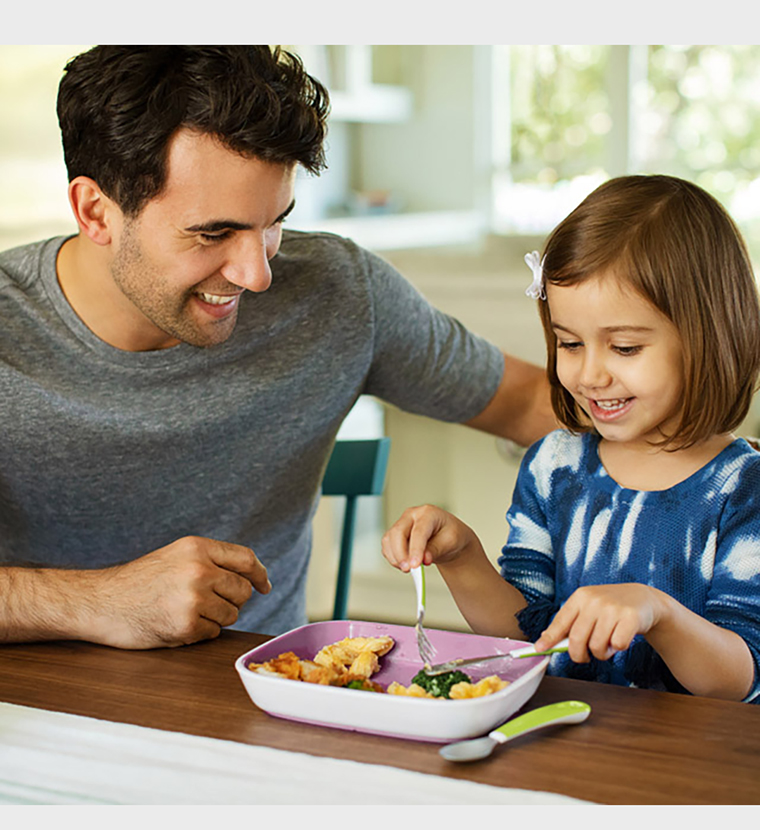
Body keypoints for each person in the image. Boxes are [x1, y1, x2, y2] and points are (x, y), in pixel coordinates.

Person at [0, 46, 555, 649]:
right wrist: (98, 601)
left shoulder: (338, 291)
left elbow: (531, 402)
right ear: (95, 211)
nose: (257, 274)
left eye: (273, 224)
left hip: (266, 698)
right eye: (213, 233)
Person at [382, 174, 760, 703]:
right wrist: (462, 556)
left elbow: (739, 680)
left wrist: (658, 613)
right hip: (563, 746)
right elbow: (526, 639)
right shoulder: (553, 465)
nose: (590, 375)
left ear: (708, 337)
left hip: (689, 769)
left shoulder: (743, 489)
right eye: (570, 343)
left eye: (625, 347)